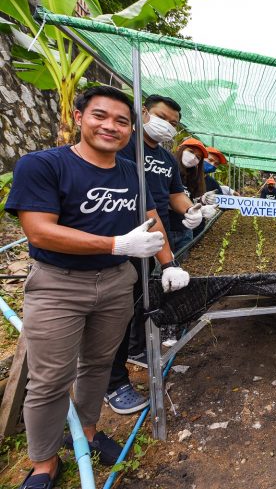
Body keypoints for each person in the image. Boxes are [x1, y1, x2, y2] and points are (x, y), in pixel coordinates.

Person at [5, 86, 189, 489]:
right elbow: (39, 231)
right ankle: (43, 462)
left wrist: (169, 263)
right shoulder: (43, 165)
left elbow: (152, 214)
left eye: (121, 121)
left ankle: (87, 434)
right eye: (100, 116)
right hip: (59, 284)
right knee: (50, 377)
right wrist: (116, 244)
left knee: (97, 365)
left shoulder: (131, 173)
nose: (111, 126)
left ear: (131, 128)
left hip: (116, 282)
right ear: (78, 118)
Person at [106, 94, 208, 413]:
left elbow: (174, 195)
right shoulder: (124, 146)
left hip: (154, 235)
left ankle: (136, 352)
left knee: (143, 295)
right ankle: (115, 375)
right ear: (145, 112)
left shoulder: (165, 159)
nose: (168, 126)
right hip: (119, 236)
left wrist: (190, 211)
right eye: (163, 117)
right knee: (120, 308)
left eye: (175, 123)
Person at [169, 138, 216, 252]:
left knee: (182, 264)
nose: (193, 157)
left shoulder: (193, 176)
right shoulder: (168, 169)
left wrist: (202, 204)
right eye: (190, 151)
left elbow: (190, 199)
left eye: (198, 157)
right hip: (167, 229)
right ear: (181, 149)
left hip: (185, 230)